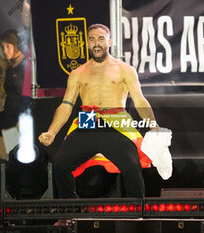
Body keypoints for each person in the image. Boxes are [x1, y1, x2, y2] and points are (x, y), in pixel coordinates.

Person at [39, 24, 158, 198]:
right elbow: (66, 105)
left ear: (109, 42)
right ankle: (69, 214)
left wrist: (154, 127)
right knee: (61, 163)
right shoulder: (78, 73)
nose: (96, 43)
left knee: (132, 165)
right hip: (87, 119)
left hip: (116, 120)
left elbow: (140, 100)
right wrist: (52, 132)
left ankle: (137, 215)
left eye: (101, 39)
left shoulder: (125, 69)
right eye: (92, 39)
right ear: (87, 44)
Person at [0, 29, 31, 159]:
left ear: (18, 46)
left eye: (8, 47)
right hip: (7, 117)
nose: (4, 51)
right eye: (3, 47)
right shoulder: (10, 66)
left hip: (17, 120)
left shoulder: (26, 66)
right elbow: (6, 81)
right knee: (0, 158)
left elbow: (29, 96)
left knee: (11, 158)